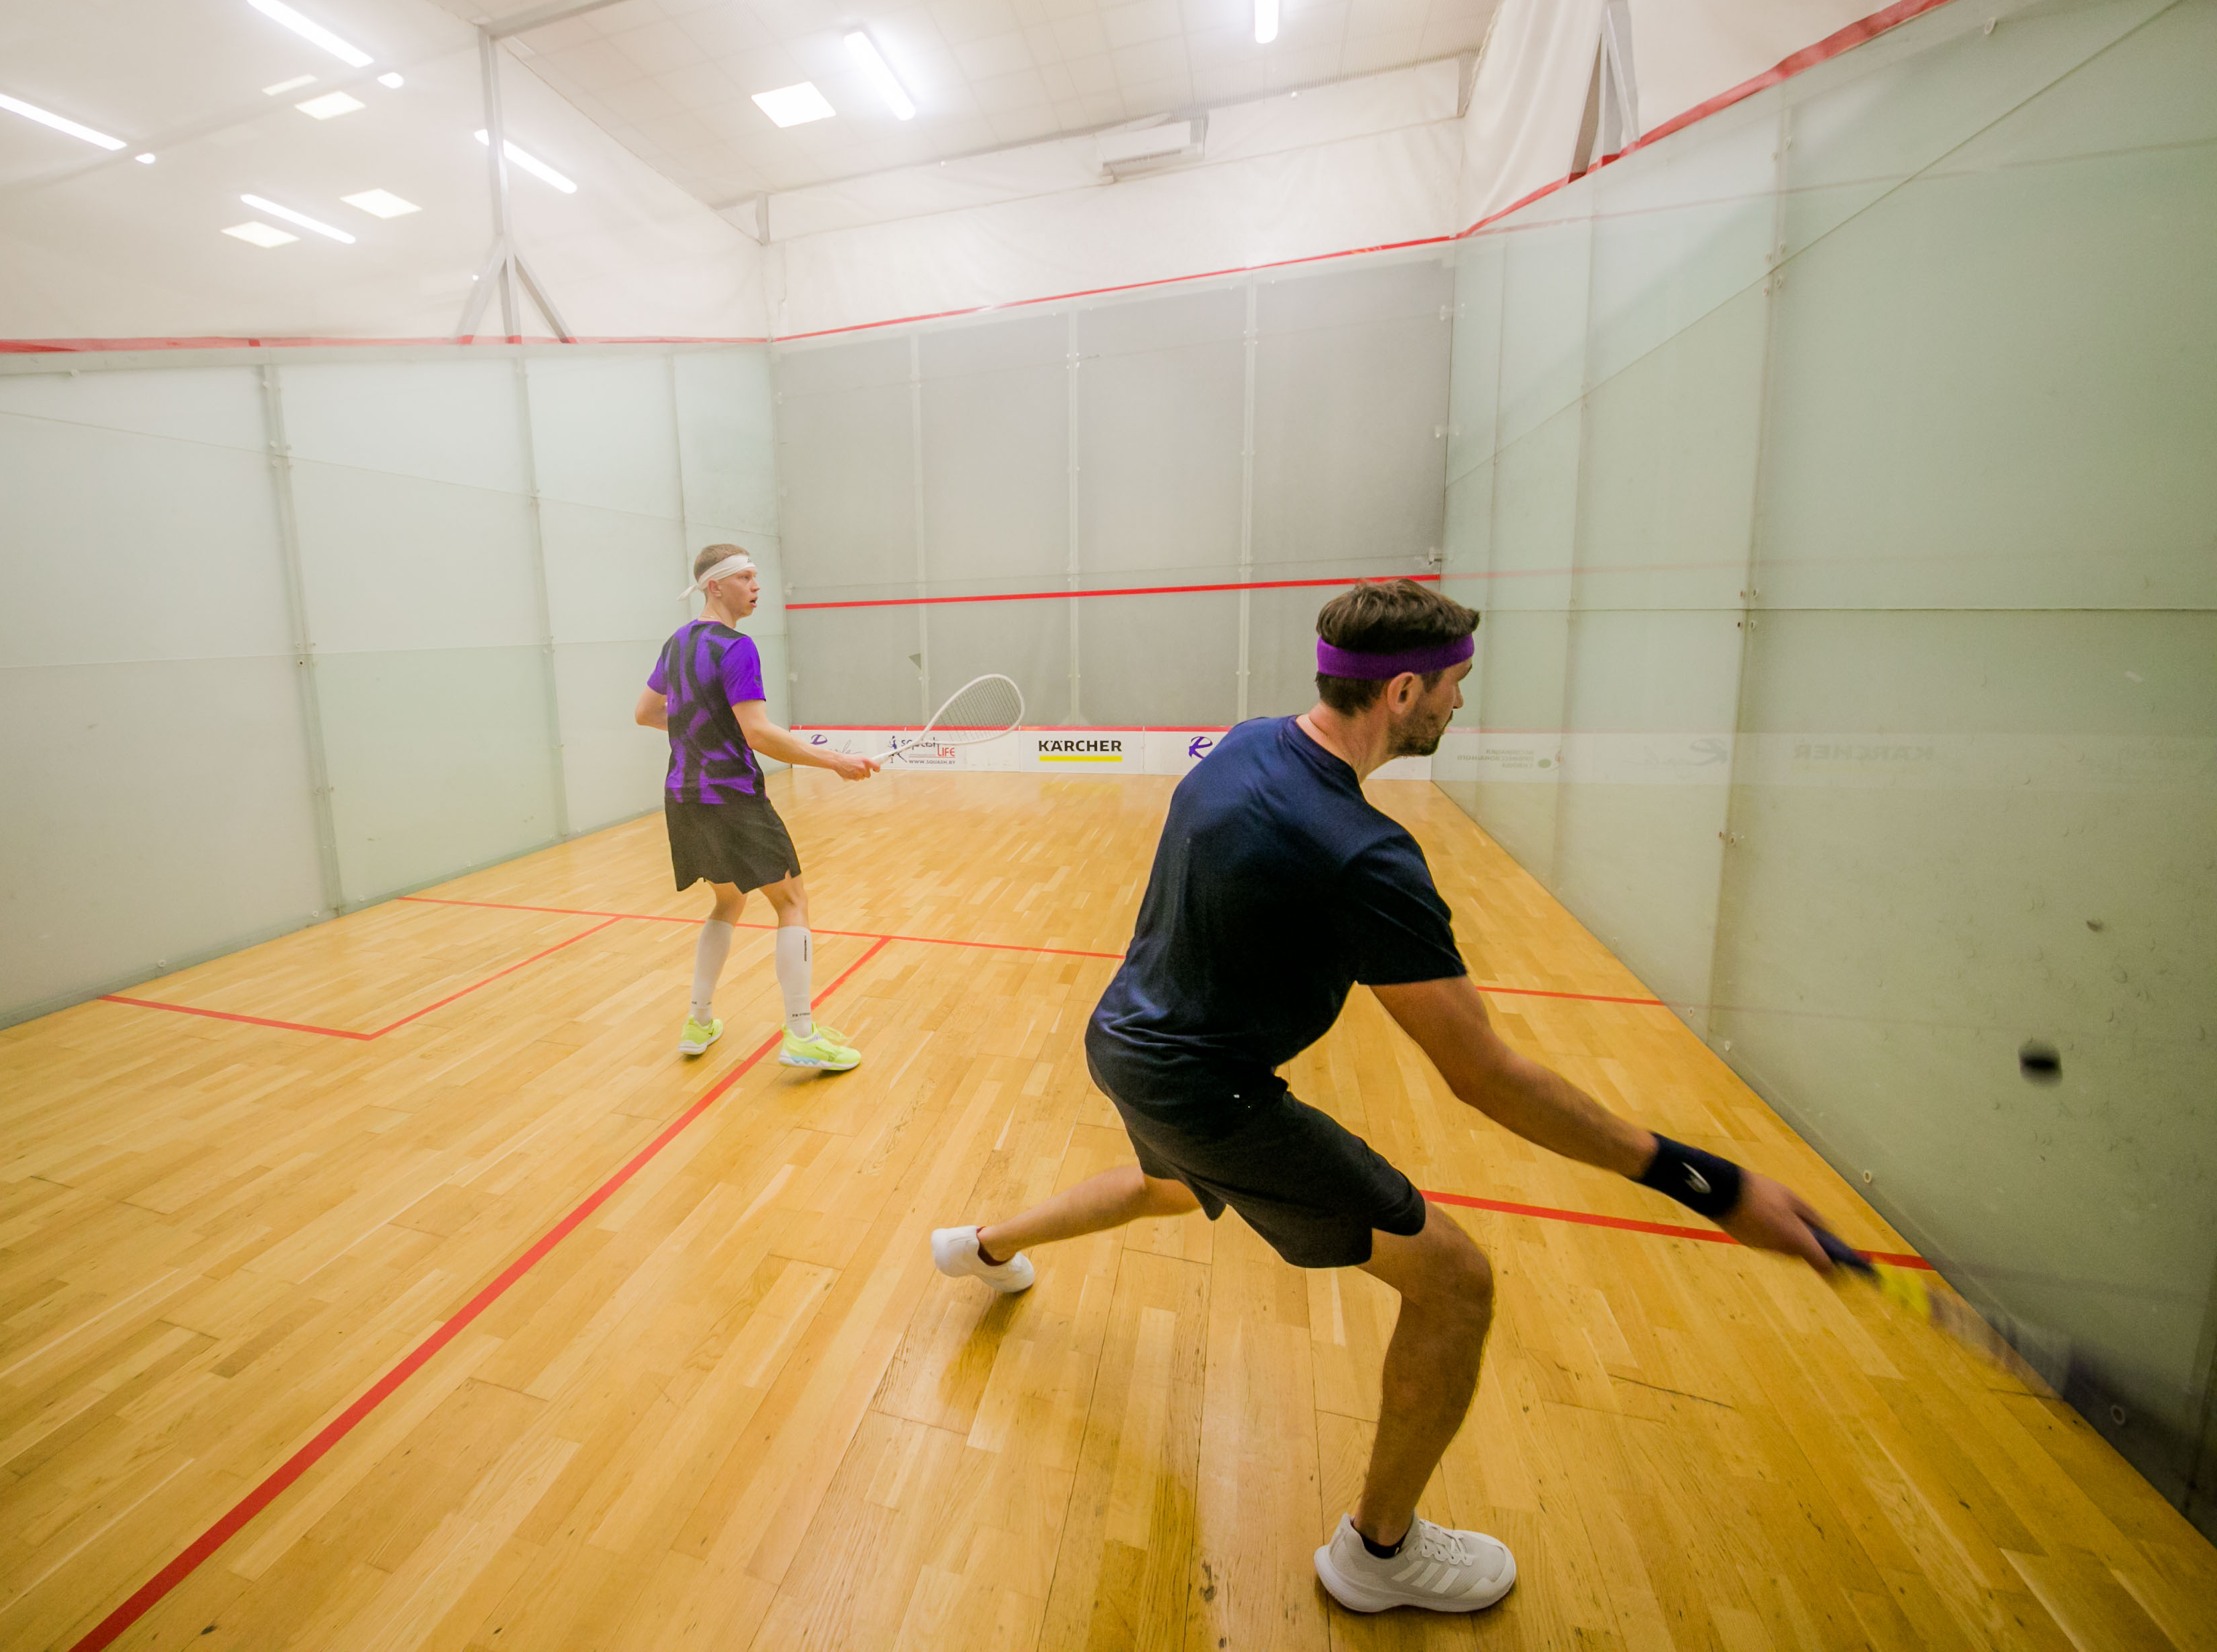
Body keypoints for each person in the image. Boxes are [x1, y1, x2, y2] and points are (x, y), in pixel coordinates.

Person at [929, 579, 1838, 1615]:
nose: (1461, 702)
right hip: (1206, 1090)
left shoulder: (1245, 745)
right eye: (1454, 684)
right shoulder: (1363, 856)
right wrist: (1707, 1183)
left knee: (1168, 1189)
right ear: (1403, 692)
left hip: (1124, 1040)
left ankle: (980, 1246)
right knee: (1454, 1282)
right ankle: (1379, 1553)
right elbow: (1483, 1075)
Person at [638, 544, 878, 1070]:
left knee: (728, 901)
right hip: (733, 798)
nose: (756, 586)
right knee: (791, 901)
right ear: (714, 585)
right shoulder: (737, 648)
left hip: (684, 799)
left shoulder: (677, 643)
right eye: (745, 577)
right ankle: (802, 1034)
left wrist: (700, 729)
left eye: (755, 577)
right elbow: (760, 734)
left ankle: (699, 1021)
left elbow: (647, 712)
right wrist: (835, 761)